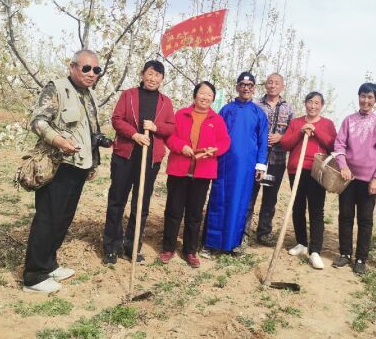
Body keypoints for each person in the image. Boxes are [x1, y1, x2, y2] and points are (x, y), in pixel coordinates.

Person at [23, 49, 103, 293]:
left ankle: (49, 263)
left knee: (63, 218)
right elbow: (38, 121)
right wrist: (58, 141)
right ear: (73, 67)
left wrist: (94, 163)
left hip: (78, 166)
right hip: (58, 164)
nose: (91, 74)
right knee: (47, 218)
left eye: (96, 70)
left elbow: (90, 132)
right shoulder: (56, 88)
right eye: (86, 68)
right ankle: (34, 277)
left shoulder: (88, 95)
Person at [102, 60, 175, 265]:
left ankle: (132, 246)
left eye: (157, 75)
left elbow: (170, 128)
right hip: (125, 156)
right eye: (150, 74)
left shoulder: (165, 102)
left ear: (162, 79)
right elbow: (117, 119)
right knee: (117, 200)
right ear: (143, 74)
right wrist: (134, 135)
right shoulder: (129, 95)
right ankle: (111, 246)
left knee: (141, 203)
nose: (153, 79)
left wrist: (155, 127)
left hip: (151, 159)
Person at [158, 81, 231, 268]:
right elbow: (170, 137)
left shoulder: (217, 120)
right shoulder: (181, 114)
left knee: (194, 214)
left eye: (209, 95)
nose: (205, 97)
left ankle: (190, 250)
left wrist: (214, 150)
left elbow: (225, 142)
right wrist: (181, 147)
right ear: (195, 95)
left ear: (213, 98)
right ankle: (168, 247)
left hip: (203, 172)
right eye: (202, 93)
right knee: (174, 211)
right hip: (179, 170)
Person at [203, 72, 268, 254]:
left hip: (246, 168)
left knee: (240, 204)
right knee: (219, 200)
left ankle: (232, 244)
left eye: (249, 86)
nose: (246, 88)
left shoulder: (259, 113)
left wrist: (260, 165)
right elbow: (216, 135)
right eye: (242, 85)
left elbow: (263, 141)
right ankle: (211, 244)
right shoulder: (226, 110)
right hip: (224, 163)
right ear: (237, 87)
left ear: (254, 88)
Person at [333, 83, 376, 275]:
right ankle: (345, 254)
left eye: (370, 97)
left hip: (368, 181)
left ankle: (361, 259)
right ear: (358, 97)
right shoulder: (348, 121)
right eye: (363, 96)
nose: (366, 100)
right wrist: (344, 167)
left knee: (365, 220)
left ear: (375, 101)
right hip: (347, 178)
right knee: (345, 216)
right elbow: (339, 146)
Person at [280, 91, 337, 269]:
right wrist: (300, 132)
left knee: (316, 209)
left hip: (316, 171)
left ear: (322, 105)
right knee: (297, 207)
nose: (313, 106)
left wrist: (316, 131)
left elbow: (332, 144)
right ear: (305, 104)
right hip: (296, 170)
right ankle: (302, 243)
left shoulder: (327, 124)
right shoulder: (296, 122)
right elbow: (285, 143)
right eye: (310, 102)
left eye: (317, 103)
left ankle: (315, 250)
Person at [245, 73, 295, 247]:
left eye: (276, 83)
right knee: (250, 195)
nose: (273, 85)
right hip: (256, 160)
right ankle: (243, 231)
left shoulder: (288, 108)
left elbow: (293, 131)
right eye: (270, 82)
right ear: (265, 85)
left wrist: (280, 137)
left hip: (276, 162)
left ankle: (264, 233)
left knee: (269, 197)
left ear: (282, 86)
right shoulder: (255, 105)